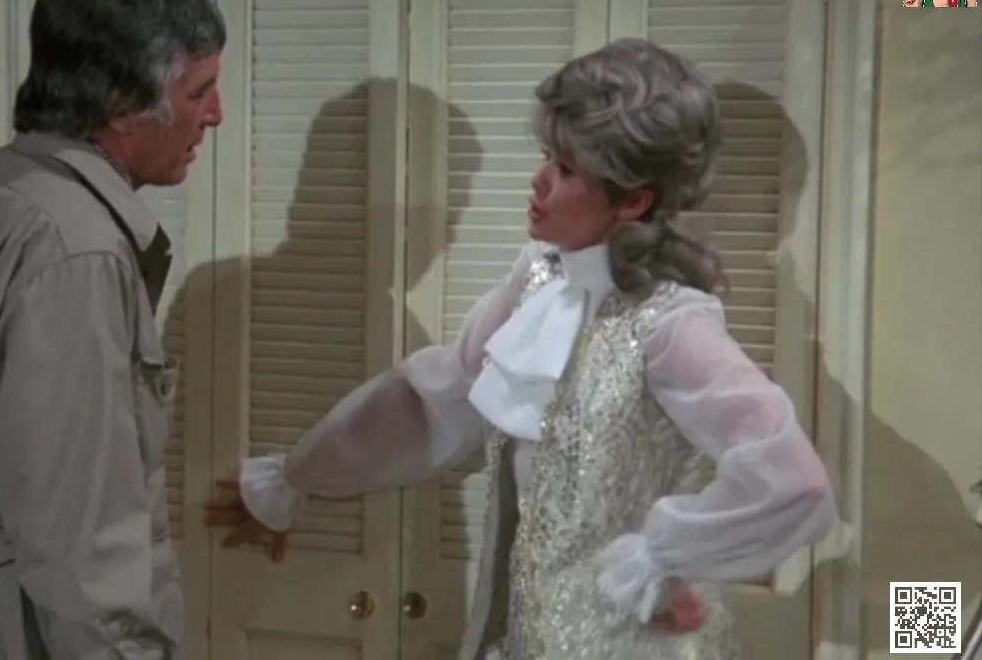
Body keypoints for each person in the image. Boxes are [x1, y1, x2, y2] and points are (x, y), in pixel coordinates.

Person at [206, 38, 838, 658]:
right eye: (546, 157)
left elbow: (792, 481)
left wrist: (660, 558)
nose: (538, 181)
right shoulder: (538, 278)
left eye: (566, 170)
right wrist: (294, 479)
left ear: (634, 199)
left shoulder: (672, 326)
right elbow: (432, 402)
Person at [0, 0, 224, 659]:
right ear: (123, 104)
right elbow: (81, 540)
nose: (215, 114)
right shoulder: (78, 249)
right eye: (199, 91)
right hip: (27, 632)